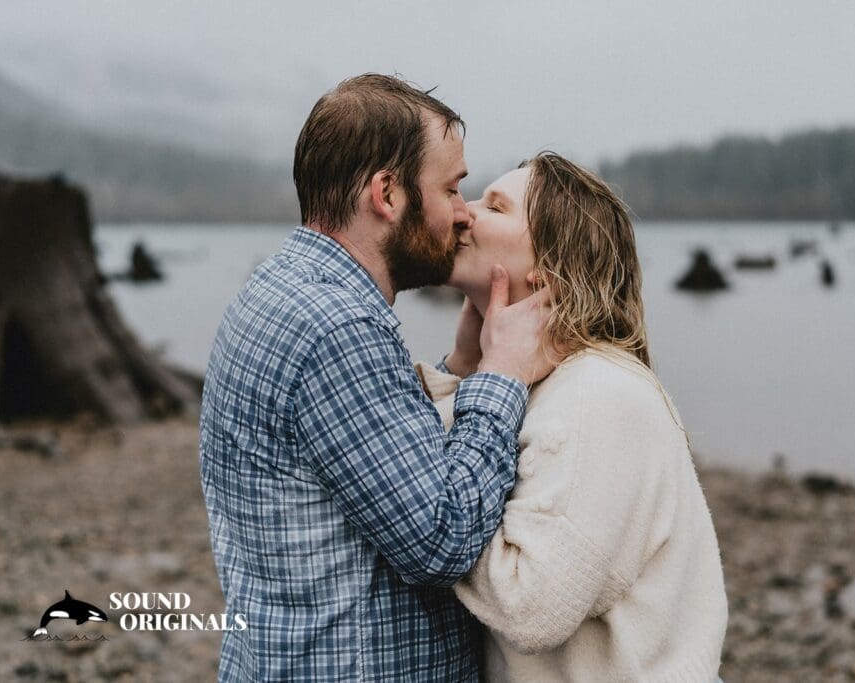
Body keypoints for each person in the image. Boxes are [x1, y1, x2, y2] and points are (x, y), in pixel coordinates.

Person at [199, 74, 558, 681]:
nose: (462, 213)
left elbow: (366, 455)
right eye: (451, 189)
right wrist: (502, 375)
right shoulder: (338, 328)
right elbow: (440, 540)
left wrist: (462, 367)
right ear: (387, 194)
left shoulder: (281, 287)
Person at [417, 152, 728, 682]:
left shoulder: (598, 391)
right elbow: (438, 461)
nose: (463, 212)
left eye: (495, 206)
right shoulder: (536, 381)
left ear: (550, 266)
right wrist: (469, 368)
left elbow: (531, 606)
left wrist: (430, 524)